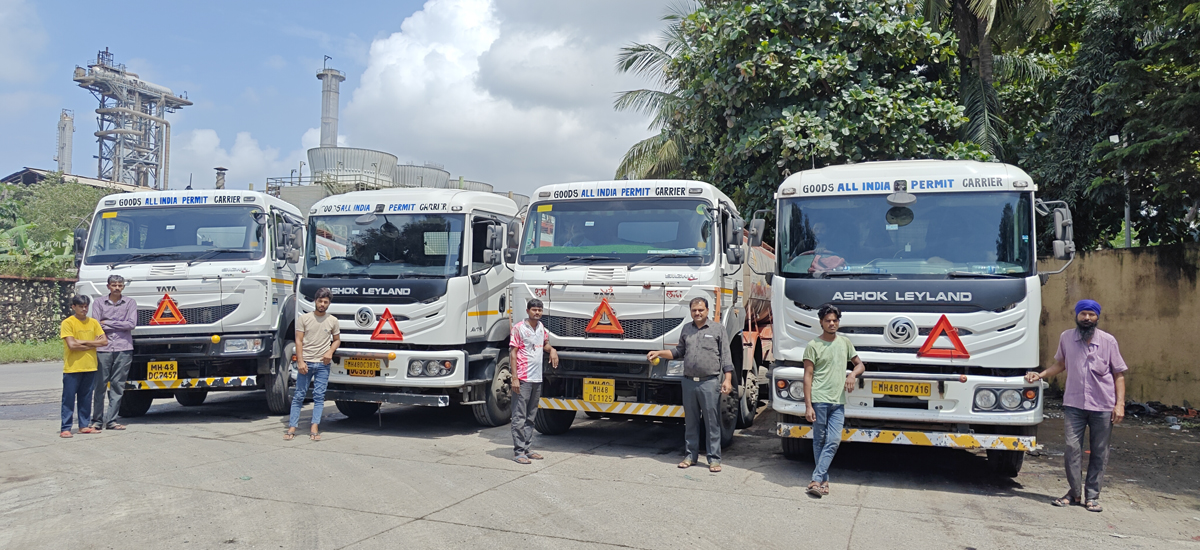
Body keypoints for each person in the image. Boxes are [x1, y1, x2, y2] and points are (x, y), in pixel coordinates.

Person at [1026, 299, 1126, 513]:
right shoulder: (1066, 337)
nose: (1087, 318)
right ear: (1077, 316)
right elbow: (1061, 364)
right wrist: (1040, 375)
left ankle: (1092, 497)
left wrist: (1120, 405)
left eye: (1091, 314)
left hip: (1103, 405)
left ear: (1097, 317)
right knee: (1072, 448)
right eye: (1083, 314)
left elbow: (1118, 374)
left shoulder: (1108, 341)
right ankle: (1074, 493)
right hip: (1074, 404)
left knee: (1100, 451)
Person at [647, 297, 733, 473]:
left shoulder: (718, 329)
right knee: (691, 422)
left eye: (701, 310)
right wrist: (659, 353)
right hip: (688, 382)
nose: (697, 313)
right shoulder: (687, 329)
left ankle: (714, 459)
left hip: (709, 382)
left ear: (707, 310)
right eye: (694, 310)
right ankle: (690, 456)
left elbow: (726, 356)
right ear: (691, 311)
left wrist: (728, 379)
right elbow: (679, 351)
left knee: (712, 423)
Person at [802, 303, 866, 497]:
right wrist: (808, 406)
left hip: (838, 402)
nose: (832, 323)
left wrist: (852, 374)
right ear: (821, 322)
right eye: (828, 320)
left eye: (835, 320)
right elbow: (807, 376)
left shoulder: (845, 343)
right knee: (819, 440)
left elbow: (860, 365)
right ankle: (823, 481)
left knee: (834, 440)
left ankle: (816, 479)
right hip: (819, 400)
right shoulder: (813, 346)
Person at [510, 298, 559, 464]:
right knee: (519, 416)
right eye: (534, 310)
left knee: (531, 416)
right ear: (527, 311)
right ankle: (518, 452)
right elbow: (513, 353)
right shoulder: (519, 328)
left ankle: (527, 448)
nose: (537, 312)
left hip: (537, 377)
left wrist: (552, 350)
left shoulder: (541, 327)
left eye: (539, 310)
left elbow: (544, 344)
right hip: (523, 378)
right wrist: (515, 378)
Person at [287, 288, 340, 441]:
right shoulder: (304, 318)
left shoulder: (332, 320)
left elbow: (337, 340)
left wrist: (330, 352)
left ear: (329, 304)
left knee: (319, 396)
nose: (322, 304)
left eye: (326, 302)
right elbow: (298, 341)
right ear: (315, 301)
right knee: (299, 395)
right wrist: (300, 361)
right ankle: (292, 427)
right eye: (320, 301)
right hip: (306, 363)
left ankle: (314, 426)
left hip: (323, 364)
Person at [89, 275, 136, 432]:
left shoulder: (130, 303)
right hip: (103, 348)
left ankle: (112, 420)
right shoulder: (99, 303)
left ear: (123, 287)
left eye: (120, 285)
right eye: (114, 285)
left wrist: (107, 322)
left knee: (118, 385)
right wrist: (119, 325)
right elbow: (96, 325)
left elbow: (131, 324)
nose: (117, 288)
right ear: (108, 286)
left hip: (124, 348)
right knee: (100, 385)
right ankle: (97, 420)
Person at [60, 295, 108, 438]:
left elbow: (104, 342)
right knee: (68, 399)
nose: (84, 309)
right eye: (81, 306)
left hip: (90, 366)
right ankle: (65, 428)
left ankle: (83, 426)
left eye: (86, 306)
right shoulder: (68, 323)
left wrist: (81, 342)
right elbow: (72, 345)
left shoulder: (93, 322)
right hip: (73, 367)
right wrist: (92, 343)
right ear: (73, 307)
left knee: (86, 398)